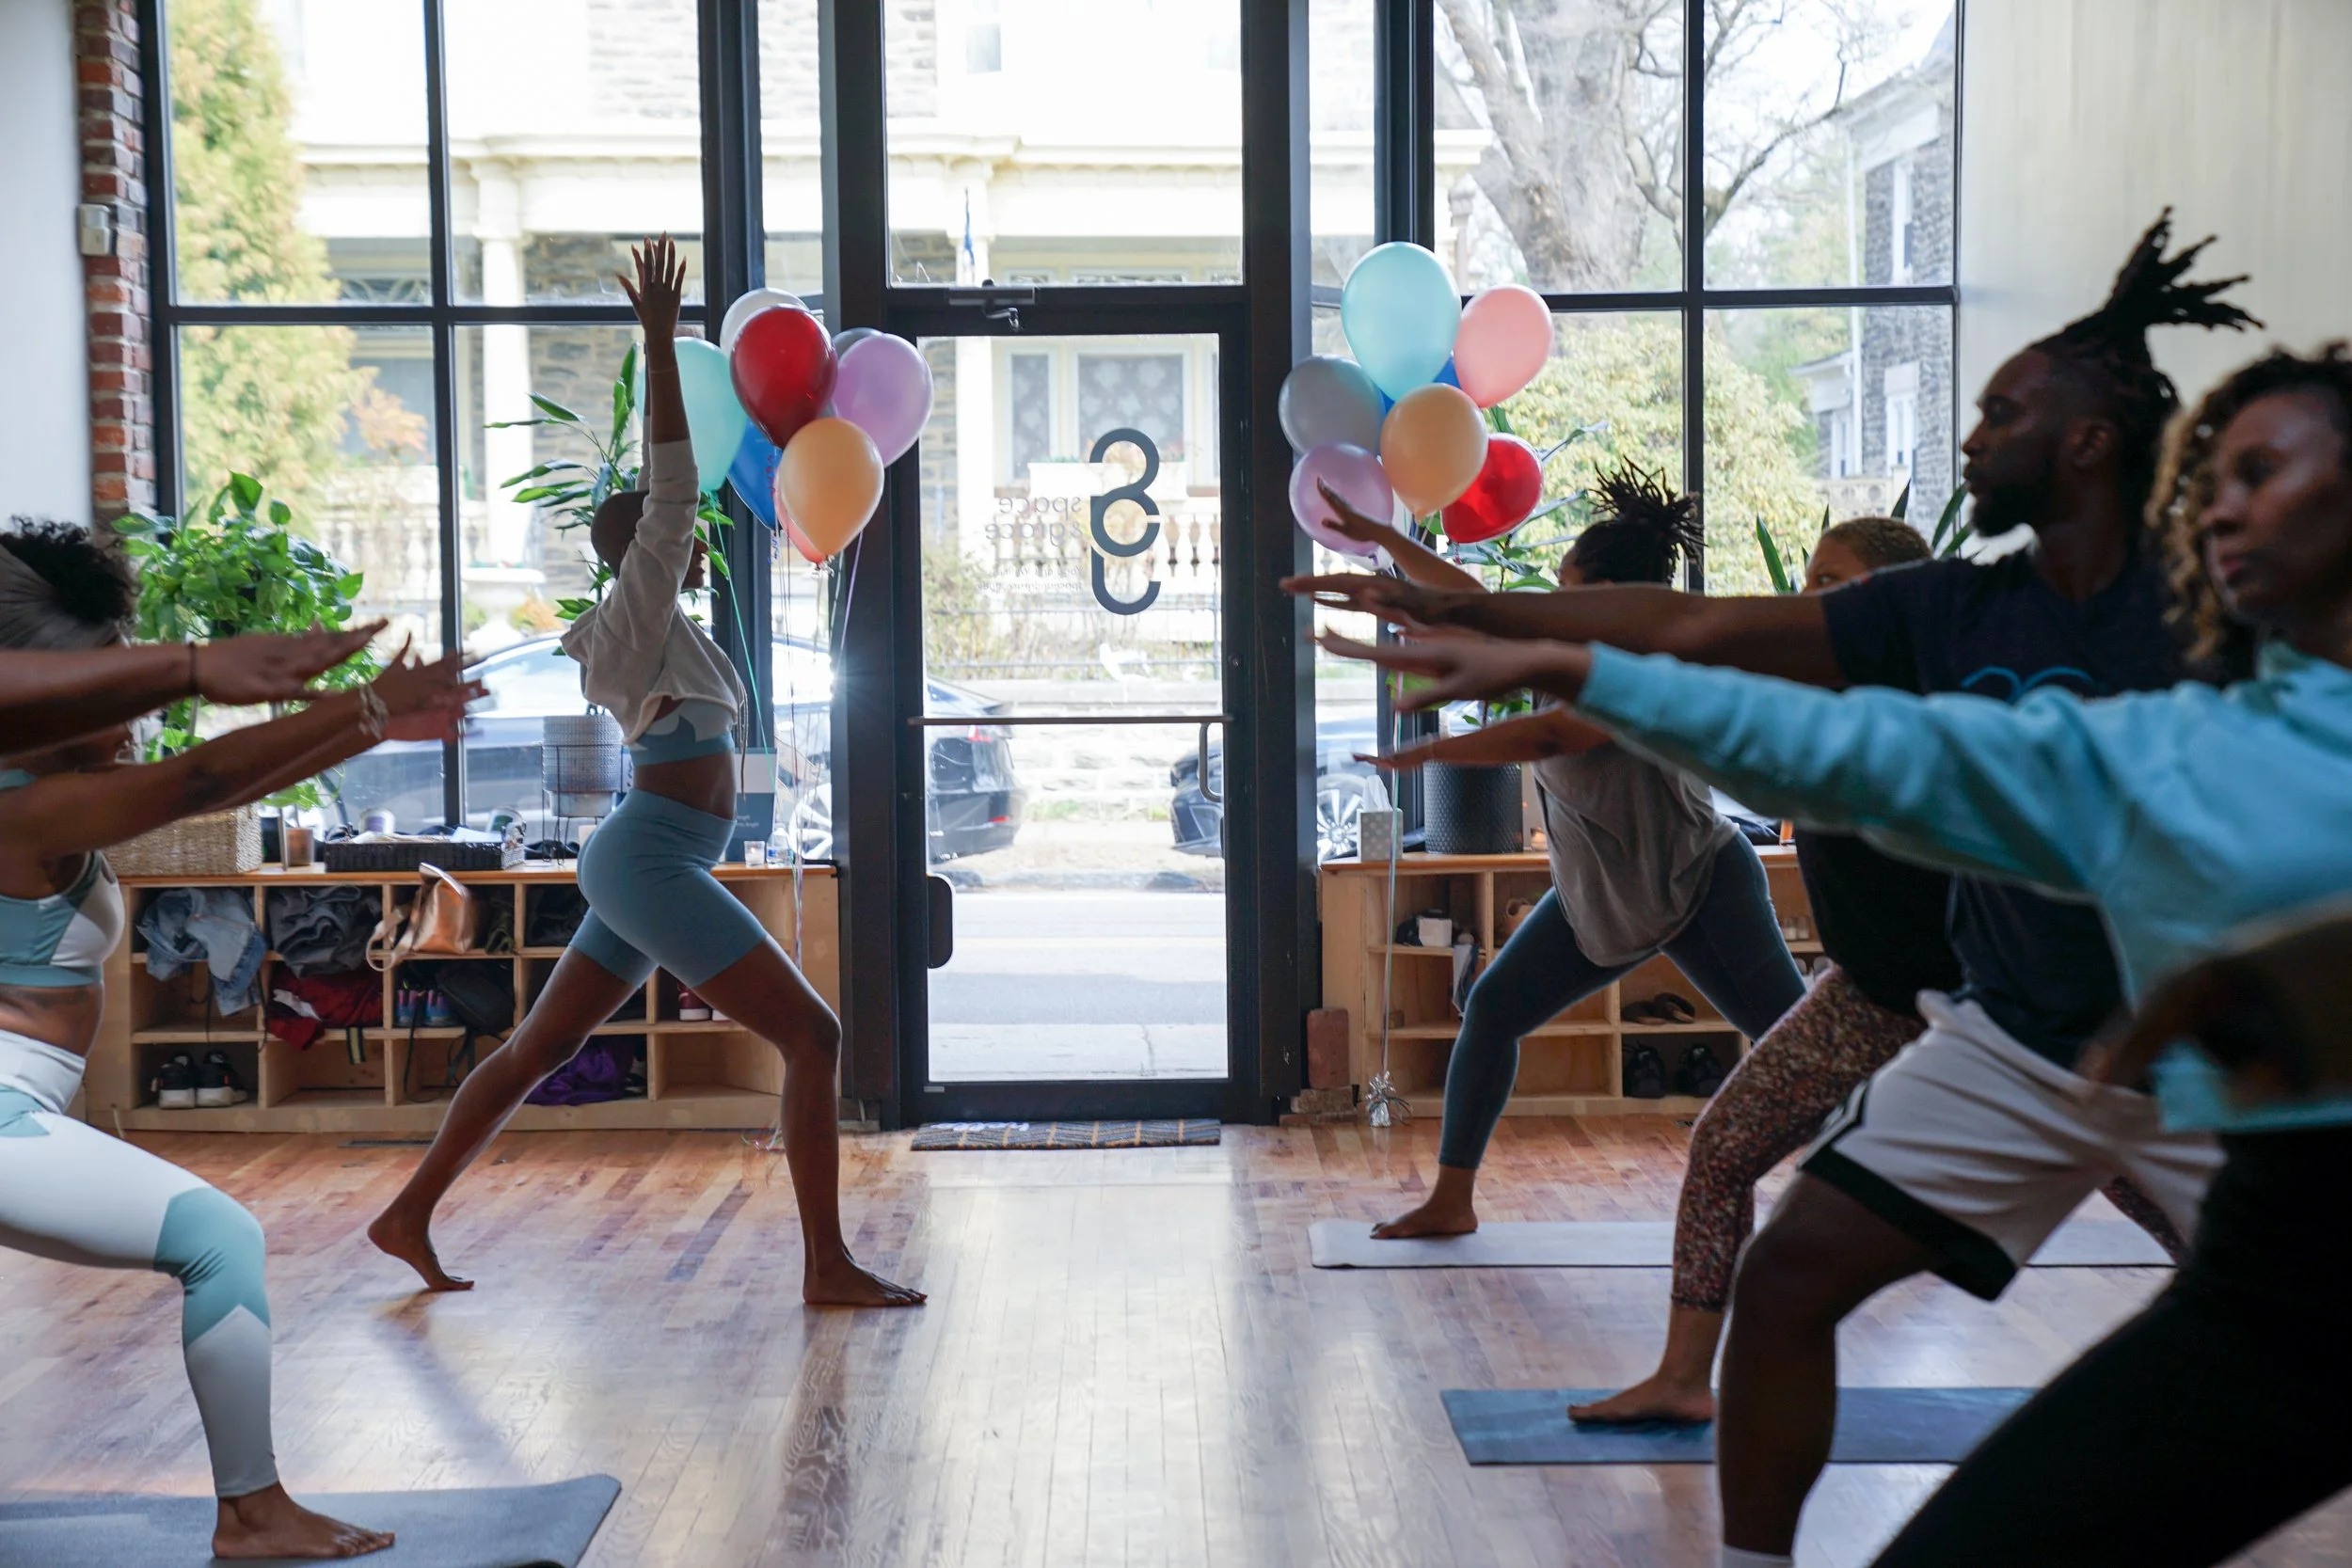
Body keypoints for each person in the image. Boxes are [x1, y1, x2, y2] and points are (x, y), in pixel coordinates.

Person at [1297, 212, 2254, 1565]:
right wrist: (1474, 604)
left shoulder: (2202, 618)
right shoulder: (1945, 617)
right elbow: (1683, 624)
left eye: (2002, 411)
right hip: (1992, 1020)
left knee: (2274, 1293)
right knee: (1787, 1251)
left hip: (2196, 1043)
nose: (1973, 436)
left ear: (2091, 439)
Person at [367, 237, 923, 1308]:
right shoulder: (629, 618)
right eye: (675, 540)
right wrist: (661, 344)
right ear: (640, 553)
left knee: (535, 1047)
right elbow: (671, 495)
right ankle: (825, 1264)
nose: (698, 542)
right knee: (814, 1034)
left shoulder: (675, 639)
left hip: (651, 859)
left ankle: (406, 1212)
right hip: (651, 863)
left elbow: (710, 749)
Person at [1566, 519, 2188, 1426]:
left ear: (1893, 602)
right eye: (1810, 574)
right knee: (1722, 1149)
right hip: (1868, 994)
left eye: (1836, 579)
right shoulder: (1800, 685)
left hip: (2000, 1007)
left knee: (2142, 1180)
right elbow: (1667, 638)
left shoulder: (1934, 708)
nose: (1812, 592)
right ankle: (1682, 1378)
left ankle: (2285, 1325)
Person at [0, 520, 479, 1560]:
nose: (127, 718)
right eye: (102, 698)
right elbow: (200, 783)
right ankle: (252, 1511)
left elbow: (213, 777)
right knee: (221, 1237)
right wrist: (361, 710)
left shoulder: (39, 796)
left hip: (23, 1102)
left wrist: (367, 722)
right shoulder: (26, 808)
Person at [1326, 462, 1804, 1241]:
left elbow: (1557, 734)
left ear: (1609, 596)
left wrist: (1431, 754)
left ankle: (1901, 1198)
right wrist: (1383, 538)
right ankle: (1454, 1198)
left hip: (1698, 885)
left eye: (1567, 584)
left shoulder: (1638, 666)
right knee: (1494, 1007)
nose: (1549, 598)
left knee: (1798, 1048)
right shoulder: (1560, 640)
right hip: (1603, 897)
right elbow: (1466, 595)